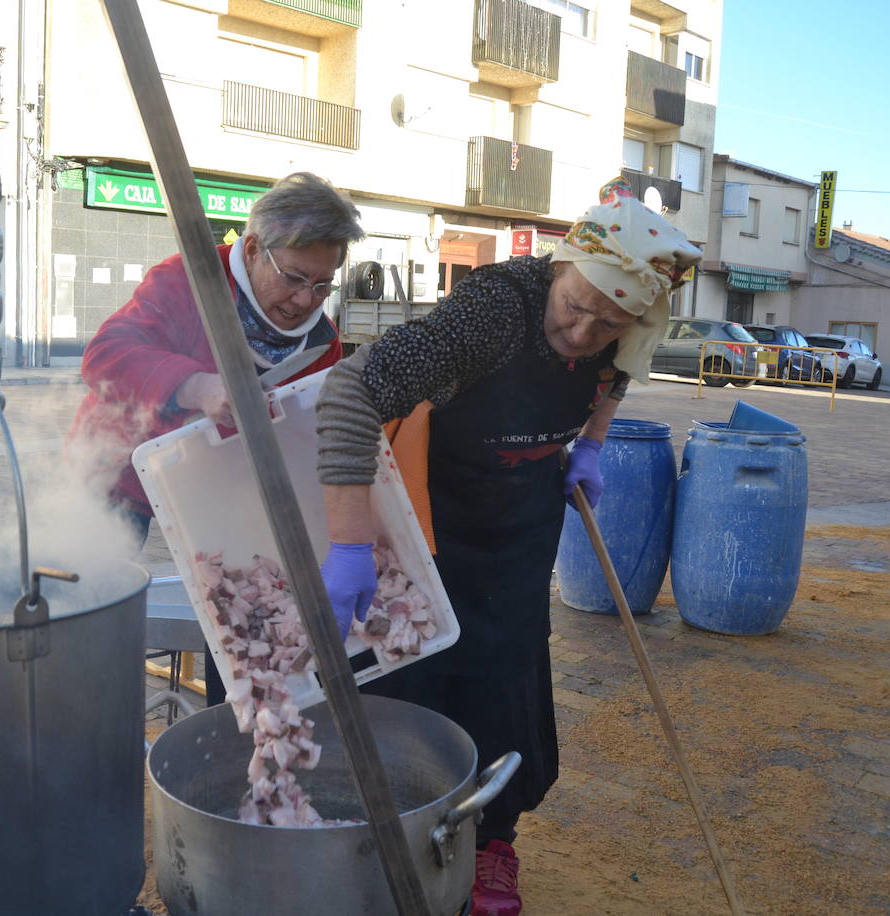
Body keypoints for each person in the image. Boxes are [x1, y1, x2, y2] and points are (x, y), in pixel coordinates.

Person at [315, 176, 700, 916]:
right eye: (578, 307)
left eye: (610, 319)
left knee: (507, 676)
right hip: (432, 511)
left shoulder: (621, 329)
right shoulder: (495, 309)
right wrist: (350, 544)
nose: (585, 333)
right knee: (415, 678)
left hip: (521, 519)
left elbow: (616, 374)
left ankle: (495, 841)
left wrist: (589, 445)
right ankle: (400, 832)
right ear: (562, 265)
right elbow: (350, 394)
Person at [69, 171, 365, 703]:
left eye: (323, 285)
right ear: (253, 250)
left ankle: (234, 722)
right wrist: (196, 385)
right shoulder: (189, 280)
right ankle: (84, 706)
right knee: (87, 610)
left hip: (219, 483)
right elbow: (105, 355)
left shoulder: (320, 344)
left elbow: (306, 434)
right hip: (118, 471)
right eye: (294, 278)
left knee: (241, 608)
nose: (305, 300)